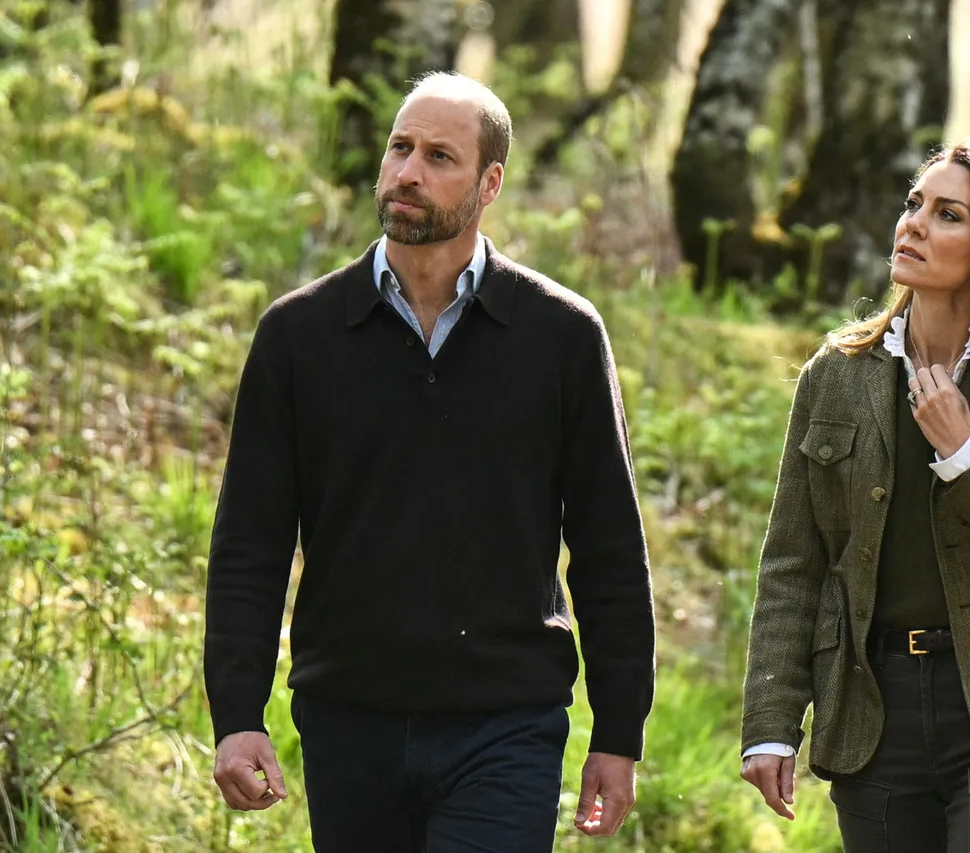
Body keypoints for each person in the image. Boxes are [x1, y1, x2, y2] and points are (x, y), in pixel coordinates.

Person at [202, 71, 656, 853]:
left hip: (506, 724)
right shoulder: (298, 337)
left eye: (439, 156)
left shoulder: (561, 337)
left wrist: (618, 733)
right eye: (399, 148)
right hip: (348, 718)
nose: (408, 172)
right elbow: (250, 544)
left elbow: (611, 548)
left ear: (489, 184)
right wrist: (239, 716)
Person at [738, 139, 970, 850]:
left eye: (947, 215)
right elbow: (793, 565)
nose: (912, 224)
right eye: (913, 205)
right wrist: (771, 724)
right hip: (873, 714)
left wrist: (964, 455)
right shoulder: (835, 375)